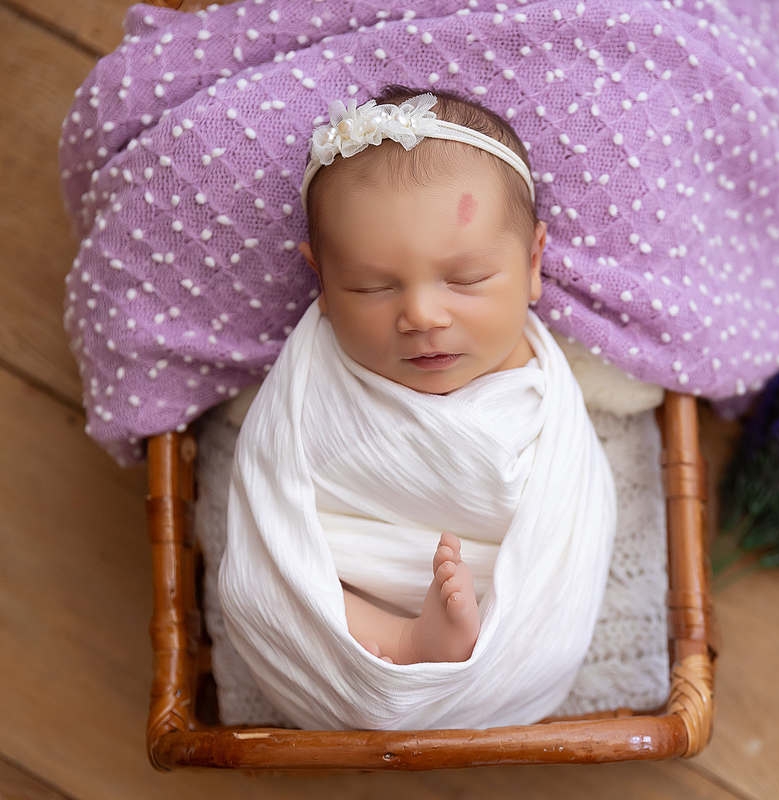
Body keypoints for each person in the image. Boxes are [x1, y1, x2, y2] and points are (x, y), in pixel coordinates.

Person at [217, 86, 616, 730]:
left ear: (533, 263)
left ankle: (440, 654)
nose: (423, 315)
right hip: (347, 601)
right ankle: (401, 643)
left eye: (467, 280)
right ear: (321, 282)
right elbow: (270, 514)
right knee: (267, 586)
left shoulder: (545, 392)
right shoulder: (315, 377)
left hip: (503, 616)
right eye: (371, 287)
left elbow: (569, 526)